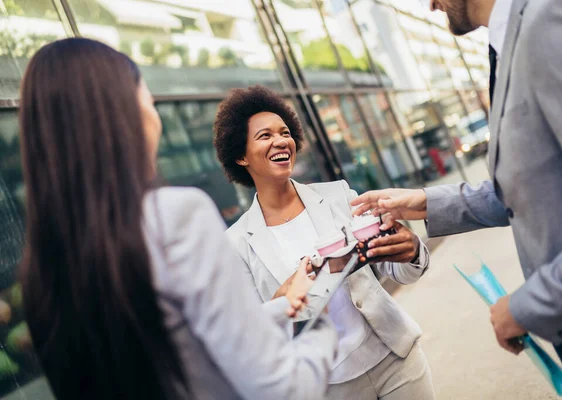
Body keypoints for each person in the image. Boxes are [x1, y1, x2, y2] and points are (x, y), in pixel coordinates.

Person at [18, 38, 338, 400]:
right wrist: (321, 324)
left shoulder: (40, 269)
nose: (155, 117)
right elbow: (284, 389)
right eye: (148, 100)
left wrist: (280, 308)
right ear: (125, 114)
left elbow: (177, 348)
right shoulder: (175, 218)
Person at [351, 0, 562, 397]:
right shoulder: (512, 42)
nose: (430, 5)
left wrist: (526, 307)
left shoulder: (548, 20)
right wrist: (425, 202)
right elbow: (537, 187)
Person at [213, 85, 435, 400]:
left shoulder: (338, 195)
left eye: (285, 132)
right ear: (240, 155)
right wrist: (284, 297)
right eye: (265, 136)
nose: (280, 140)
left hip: (395, 361)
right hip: (327, 387)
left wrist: (411, 251)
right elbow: (251, 335)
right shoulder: (235, 244)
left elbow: (399, 269)